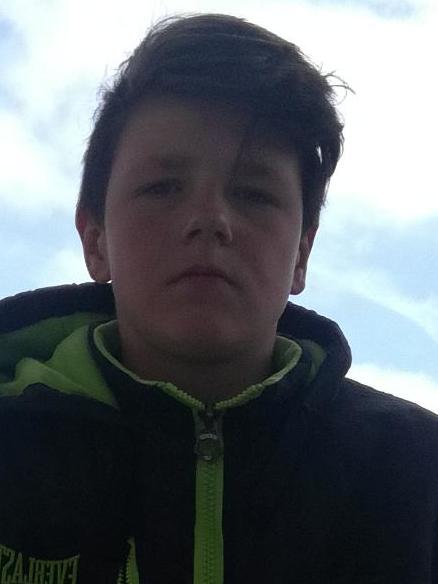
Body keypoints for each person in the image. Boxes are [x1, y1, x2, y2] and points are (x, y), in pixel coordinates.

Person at [0, 13, 437, 584]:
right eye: (162, 187)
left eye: (253, 193)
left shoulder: (415, 471)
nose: (210, 220)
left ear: (302, 254)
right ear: (95, 240)